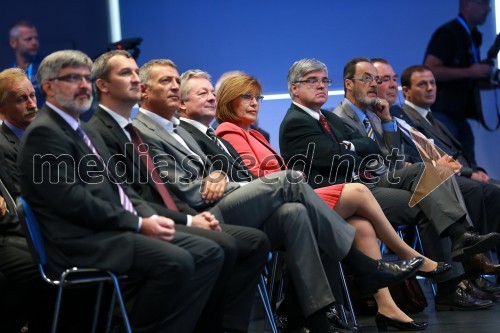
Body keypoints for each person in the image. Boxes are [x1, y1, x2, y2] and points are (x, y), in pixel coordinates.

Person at [133, 58, 424, 333]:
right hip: (203, 214)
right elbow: (192, 189)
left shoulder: (185, 131)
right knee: (293, 182)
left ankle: (315, 316)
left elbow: (217, 174)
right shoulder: (163, 130)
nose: (211, 97)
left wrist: (222, 177)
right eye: (201, 93)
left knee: (295, 212)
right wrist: (248, 183)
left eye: (212, 92)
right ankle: (365, 266)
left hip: (234, 201)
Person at [210, 71, 451, 329]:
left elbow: (367, 148)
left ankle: (387, 307)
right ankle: (398, 259)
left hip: (296, 195)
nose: (254, 103)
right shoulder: (230, 132)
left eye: (257, 97)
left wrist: (290, 174)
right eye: (246, 97)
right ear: (228, 100)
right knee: (358, 191)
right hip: (283, 202)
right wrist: (289, 175)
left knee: (362, 225)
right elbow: (256, 176)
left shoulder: (255, 134)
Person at [19, 50, 225, 333]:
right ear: (48, 87)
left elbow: (121, 190)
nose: (83, 85)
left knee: (209, 250)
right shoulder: (45, 133)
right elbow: (73, 202)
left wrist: (148, 219)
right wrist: (139, 224)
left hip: (106, 231)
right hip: (79, 243)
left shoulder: (81, 130)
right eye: (71, 78)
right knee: (180, 260)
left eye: (84, 78)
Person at [279, 58, 500, 310]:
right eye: (312, 81)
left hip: (371, 182)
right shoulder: (302, 120)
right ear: (294, 87)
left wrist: (360, 139)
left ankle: (461, 245)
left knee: (429, 173)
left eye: (323, 81)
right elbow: (336, 159)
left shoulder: (328, 116)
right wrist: (352, 148)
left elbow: (372, 148)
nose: (321, 86)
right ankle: (453, 282)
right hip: (344, 193)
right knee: (431, 201)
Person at [87, 50, 270, 333]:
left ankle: (225, 327)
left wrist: (204, 193)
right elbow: (127, 197)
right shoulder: (103, 131)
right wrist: (187, 219)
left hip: (172, 212)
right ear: (102, 85)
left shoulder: (132, 130)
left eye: (136, 73)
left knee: (256, 239)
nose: (174, 86)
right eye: (127, 74)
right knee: (218, 246)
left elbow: (196, 174)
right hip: (136, 225)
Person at [423, 0, 493, 165]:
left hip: (459, 115)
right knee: (454, 166)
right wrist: (471, 71)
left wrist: (486, 81)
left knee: (469, 165)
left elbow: (464, 77)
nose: (489, 9)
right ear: (467, 4)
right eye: (483, 3)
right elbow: (429, 69)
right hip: (443, 113)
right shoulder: (449, 33)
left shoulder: (472, 35)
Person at [0, 68, 38, 193]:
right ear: (1, 107)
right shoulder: (2, 147)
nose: (32, 105)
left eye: (32, 95)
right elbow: (22, 195)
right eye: (21, 99)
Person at [9, 21, 44, 107]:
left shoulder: (46, 67)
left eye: (36, 38)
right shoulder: (7, 75)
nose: (34, 42)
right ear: (13, 43)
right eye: (28, 39)